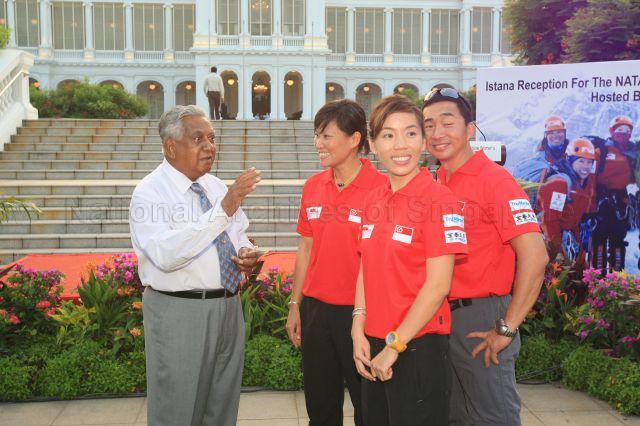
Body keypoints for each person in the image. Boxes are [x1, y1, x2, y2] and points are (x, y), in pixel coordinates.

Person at [129, 105, 261, 425]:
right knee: (178, 408)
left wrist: (248, 255)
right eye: (198, 138)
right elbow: (166, 255)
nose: (209, 146)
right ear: (171, 146)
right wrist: (224, 209)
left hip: (228, 307)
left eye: (212, 138)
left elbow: (239, 233)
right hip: (180, 311)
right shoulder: (150, 193)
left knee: (222, 407)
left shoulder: (215, 187)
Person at [422, 88, 548, 426]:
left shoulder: (494, 180)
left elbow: (535, 257)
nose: (436, 133)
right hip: (440, 319)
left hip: (481, 319)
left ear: (470, 128)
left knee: (492, 417)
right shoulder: (436, 183)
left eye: (447, 123)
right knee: (452, 417)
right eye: (428, 125)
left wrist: (506, 327)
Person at [352, 95, 468, 426]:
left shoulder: (442, 201)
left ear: (424, 140)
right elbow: (365, 266)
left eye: (411, 133)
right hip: (375, 342)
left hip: (416, 347)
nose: (400, 145)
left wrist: (395, 345)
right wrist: (357, 327)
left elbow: (438, 285)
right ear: (373, 144)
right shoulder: (372, 198)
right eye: (388, 135)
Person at [286, 99, 386, 425]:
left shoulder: (383, 188)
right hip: (316, 312)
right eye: (317, 135)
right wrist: (295, 304)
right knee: (320, 406)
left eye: (327, 136)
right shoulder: (314, 186)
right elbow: (305, 248)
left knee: (369, 408)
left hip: (364, 316)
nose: (319, 144)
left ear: (355, 139)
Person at [537, 138, 597, 266]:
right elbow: (549, 220)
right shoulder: (559, 184)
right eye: (581, 161)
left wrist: (578, 246)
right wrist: (557, 252)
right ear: (570, 161)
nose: (586, 166)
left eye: (589, 162)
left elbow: (572, 220)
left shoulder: (581, 183)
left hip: (564, 237)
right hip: (547, 239)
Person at [591, 115, 637, 272]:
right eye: (619, 130)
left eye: (627, 131)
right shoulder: (602, 151)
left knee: (618, 237)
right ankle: (597, 276)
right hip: (601, 197)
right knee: (599, 236)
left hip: (622, 199)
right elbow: (590, 175)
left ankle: (616, 278)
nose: (623, 134)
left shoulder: (633, 152)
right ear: (612, 131)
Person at [513, 116, 569, 207]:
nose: (556, 136)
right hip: (542, 206)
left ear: (564, 133)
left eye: (559, 132)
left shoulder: (572, 156)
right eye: (551, 133)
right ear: (546, 135)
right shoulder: (539, 163)